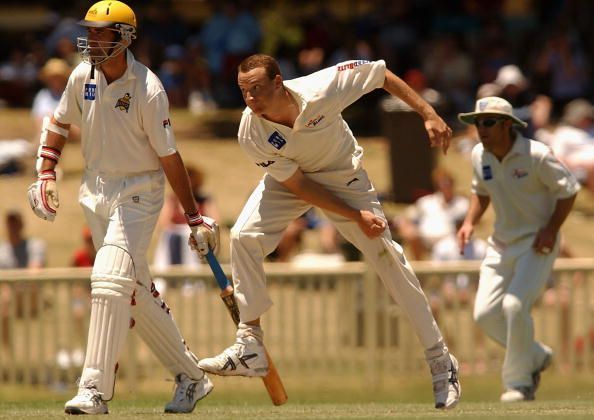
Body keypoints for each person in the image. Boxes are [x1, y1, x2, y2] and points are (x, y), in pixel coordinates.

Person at [198, 54, 461, 410]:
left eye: (257, 90)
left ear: (279, 83)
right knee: (244, 236)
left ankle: (441, 362)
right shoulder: (251, 131)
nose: (250, 100)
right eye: (244, 92)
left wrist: (428, 114)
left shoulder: (322, 89)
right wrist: (355, 216)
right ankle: (250, 344)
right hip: (294, 181)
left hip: (344, 177)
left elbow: (380, 74)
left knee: (387, 258)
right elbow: (302, 188)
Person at [26, 1, 218, 415]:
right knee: (134, 293)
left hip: (140, 191)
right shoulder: (83, 75)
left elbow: (170, 157)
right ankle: (192, 377)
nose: (91, 40)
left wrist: (192, 215)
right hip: (95, 190)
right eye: (90, 31)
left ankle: (93, 388)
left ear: (125, 36)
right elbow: (59, 123)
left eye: (100, 32)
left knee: (109, 278)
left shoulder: (148, 89)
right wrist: (45, 171)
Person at [456, 96, 580, 402]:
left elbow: (568, 190)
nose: (479, 129)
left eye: (487, 123)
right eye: (476, 123)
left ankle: (519, 383)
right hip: (500, 244)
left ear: (508, 125)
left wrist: (551, 229)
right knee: (485, 314)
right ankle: (536, 356)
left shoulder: (536, 155)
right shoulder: (478, 156)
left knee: (513, 306)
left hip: (537, 242)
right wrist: (470, 222)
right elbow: (480, 191)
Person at [395, 167, 469, 260]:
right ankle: (420, 272)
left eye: (447, 182)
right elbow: (403, 218)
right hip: (425, 240)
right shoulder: (426, 202)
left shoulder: (462, 203)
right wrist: (406, 227)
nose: (445, 186)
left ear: (452, 183)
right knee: (412, 236)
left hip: (450, 240)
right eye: (441, 183)